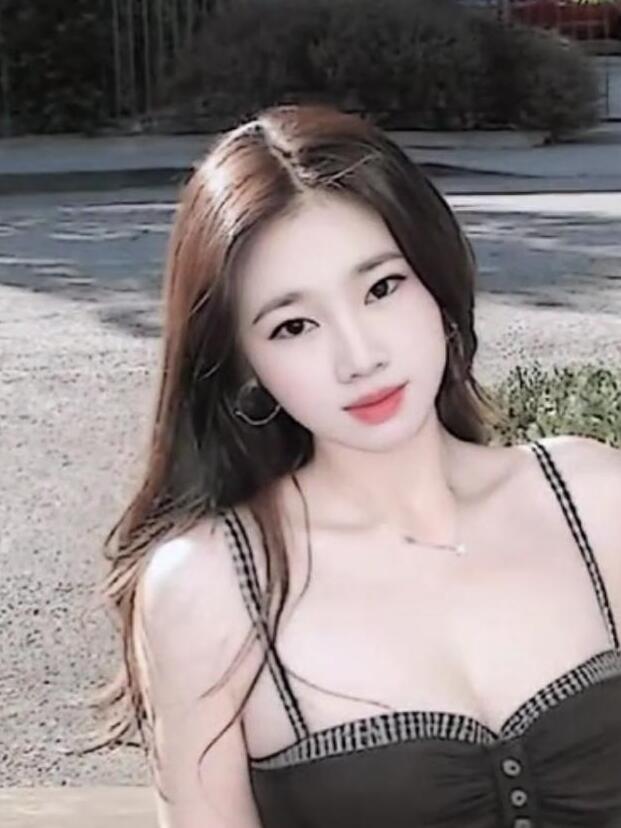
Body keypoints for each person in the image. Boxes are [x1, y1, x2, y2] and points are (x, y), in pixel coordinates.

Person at [99, 103, 621, 828]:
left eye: (380, 288)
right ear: (243, 363)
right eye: (294, 326)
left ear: (435, 278)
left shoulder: (593, 501)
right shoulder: (211, 586)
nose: (359, 356)